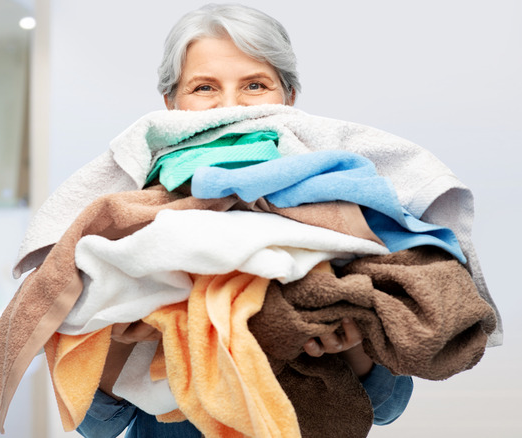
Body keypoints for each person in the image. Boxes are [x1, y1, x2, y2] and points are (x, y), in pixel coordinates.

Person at [77, 4, 413, 437]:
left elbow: (388, 407)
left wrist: (352, 350)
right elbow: (94, 426)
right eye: (204, 88)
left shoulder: (342, 208)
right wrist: (123, 340)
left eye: (255, 85)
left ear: (288, 98)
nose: (231, 107)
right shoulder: (125, 225)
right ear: (171, 104)